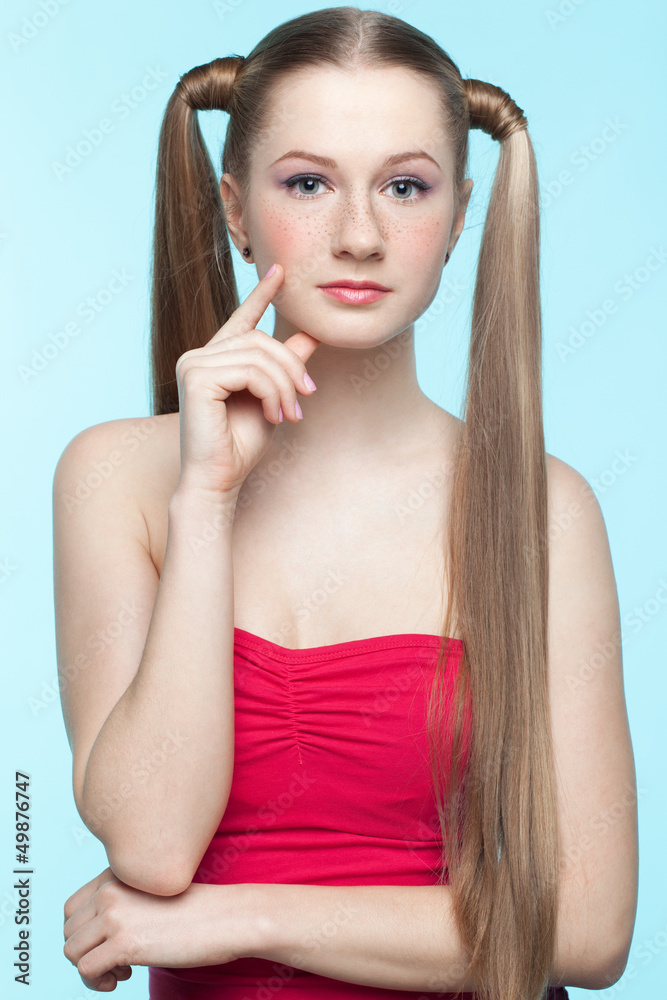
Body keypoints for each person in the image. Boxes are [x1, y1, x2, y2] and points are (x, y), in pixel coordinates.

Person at [53, 7, 638, 1000]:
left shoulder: (546, 508)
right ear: (236, 211)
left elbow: (586, 926)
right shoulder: (117, 478)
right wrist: (206, 497)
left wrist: (240, 914)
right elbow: (150, 847)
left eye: (404, 187)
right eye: (309, 183)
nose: (360, 234)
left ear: (456, 216)